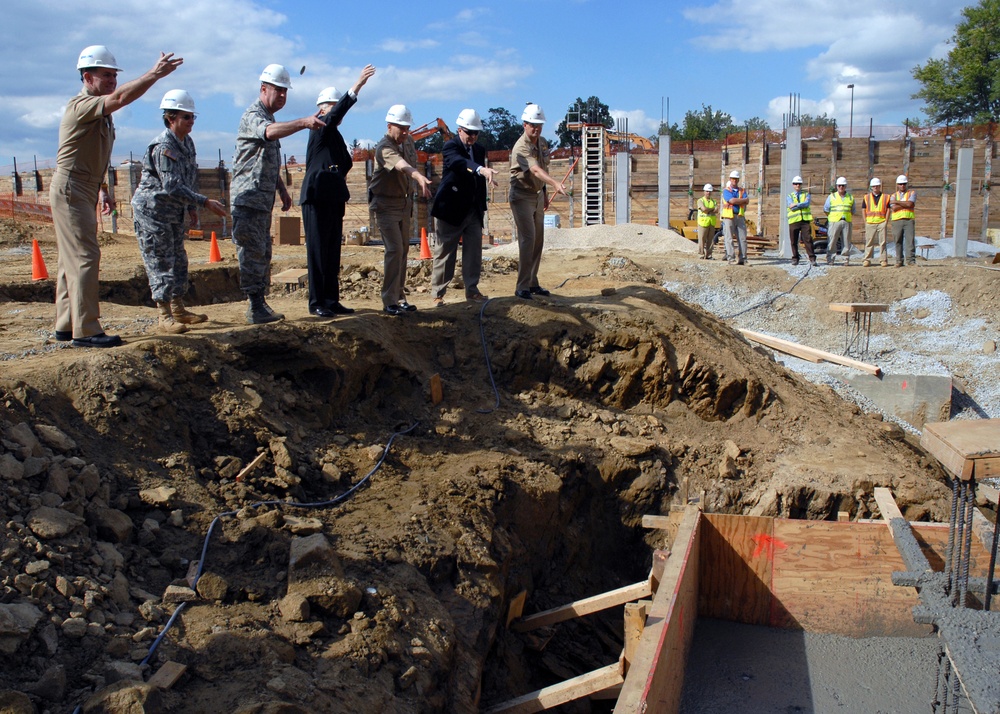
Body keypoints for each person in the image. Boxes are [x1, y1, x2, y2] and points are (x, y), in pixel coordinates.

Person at [51, 45, 182, 348]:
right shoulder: (80, 106)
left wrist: (103, 189)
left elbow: (92, 154)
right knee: (85, 256)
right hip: (71, 187)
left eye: (113, 75)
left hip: (83, 186)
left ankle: (66, 324)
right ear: (87, 77)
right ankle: (86, 330)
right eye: (105, 75)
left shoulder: (99, 113)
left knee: (69, 259)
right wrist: (154, 74)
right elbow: (121, 98)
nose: (111, 80)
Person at [231, 64, 325, 324]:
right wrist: (304, 122)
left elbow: (264, 160)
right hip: (248, 199)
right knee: (251, 253)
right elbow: (268, 133)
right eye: (278, 90)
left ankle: (259, 303)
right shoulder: (254, 115)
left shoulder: (269, 117)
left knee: (263, 252)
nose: (282, 96)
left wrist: (282, 189)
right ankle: (254, 305)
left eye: (285, 92)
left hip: (261, 200)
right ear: (263, 89)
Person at [131, 90, 228, 334]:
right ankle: (164, 316)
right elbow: (171, 184)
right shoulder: (163, 146)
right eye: (186, 117)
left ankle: (178, 309)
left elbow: (188, 177)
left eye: (193, 117)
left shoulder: (187, 143)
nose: (191, 122)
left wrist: (192, 208)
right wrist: (204, 201)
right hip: (153, 213)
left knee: (179, 260)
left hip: (173, 211)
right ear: (170, 118)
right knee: (160, 260)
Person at [299, 64, 376, 318]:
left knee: (332, 250)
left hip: (332, 198)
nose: (336, 110)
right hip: (317, 198)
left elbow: (345, 163)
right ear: (321, 109)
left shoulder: (335, 137)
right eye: (333, 105)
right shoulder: (319, 127)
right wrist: (356, 87)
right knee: (318, 251)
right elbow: (332, 118)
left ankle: (331, 300)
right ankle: (317, 302)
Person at [429, 108, 499, 306]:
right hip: (450, 208)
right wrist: (480, 169)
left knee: (474, 251)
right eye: (470, 132)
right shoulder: (450, 147)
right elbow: (460, 163)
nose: (473, 137)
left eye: (476, 133)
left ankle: (472, 290)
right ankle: (438, 293)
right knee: (445, 251)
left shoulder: (479, 149)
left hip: (472, 209)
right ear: (460, 130)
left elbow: (476, 178)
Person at [369, 104, 433, 316]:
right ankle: (389, 300)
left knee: (403, 250)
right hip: (385, 204)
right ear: (389, 126)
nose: (405, 132)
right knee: (394, 249)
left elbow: (408, 161)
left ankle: (399, 296)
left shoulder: (409, 142)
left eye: (407, 128)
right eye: (401, 128)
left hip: (404, 204)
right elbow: (401, 165)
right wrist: (418, 176)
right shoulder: (383, 147)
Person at [509, 103, 566, 299]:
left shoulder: (541, 143)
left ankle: (532, 283)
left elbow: (543, 167)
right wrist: (554, 183)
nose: (536, 128)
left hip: (536, 193)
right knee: (528, 239)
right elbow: (534, 170)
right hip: (521, 195)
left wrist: (544, 191)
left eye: (539, 125)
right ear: (524, 124)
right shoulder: (521, 147)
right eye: (533, 124)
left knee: (538, 240)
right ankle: (522, 286)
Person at [823, 177, 855, 265]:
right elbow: (826, 209)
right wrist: (832, 217)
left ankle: (845, 259)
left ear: (845, 186)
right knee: (832, 240)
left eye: (843, 185)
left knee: (846, 241)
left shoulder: (850, 197)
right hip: (834, 221)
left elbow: (852, 210)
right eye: (839, 185)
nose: (841, 187)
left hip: (846, 221)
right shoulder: (832, 196)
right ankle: (830, 258)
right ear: (837, 186)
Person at [720, 170, 749, 265]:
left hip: (739, 216)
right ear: (730, 179)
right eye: (733, 179)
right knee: (729, 238)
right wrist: (742, 200)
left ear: (738, 180)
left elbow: (747, 200)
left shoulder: (742, 190)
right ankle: (731, 258)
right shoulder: (726, 191)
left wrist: (739, 200)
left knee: (742, 238)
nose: (734, 180)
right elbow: (731, 200)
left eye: (736, 179)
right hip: (729, 217)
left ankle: (743, 259)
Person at [786, 175, 816, 266]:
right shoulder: (789, 196)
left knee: (808, 239)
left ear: (801, 184)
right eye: (796, 184)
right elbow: (791, 207)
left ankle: (812, 258)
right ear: (793, 185)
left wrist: (796, 204)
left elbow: (806, 204)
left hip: (805, 220)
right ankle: (795, 258)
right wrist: (800, 205)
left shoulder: (806, 194)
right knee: (793, 241)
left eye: (799, 184)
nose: (797, 185)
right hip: (794, 221)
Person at [861, 177, 890, 267]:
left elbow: (889, 209)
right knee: (869, 242)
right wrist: (865, 221)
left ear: (880, 186)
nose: (875, 187)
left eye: (877, 186)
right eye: (874, 186)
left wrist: (886, 221)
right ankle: (867, 259)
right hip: (870, 222)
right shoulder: (866, 197)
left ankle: (883, 260)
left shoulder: (886, 197)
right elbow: (863, 209)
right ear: (871, 187)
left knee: (883, 242)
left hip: (881, 222)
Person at [889, 174, 916, 267]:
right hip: (897, 220)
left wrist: (897, 202)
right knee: (897, 241)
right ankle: (899, 260)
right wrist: (905, 203)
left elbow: (910, 205)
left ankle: (911, 260)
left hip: (908, 220)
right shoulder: (893, 195)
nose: (902, 186)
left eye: (904, 184)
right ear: (897, 185)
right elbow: (894, 208)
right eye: (900, 184)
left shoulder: (911, 193)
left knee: (910, 240)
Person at [696, 183, 718, 260]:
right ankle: (701, 254)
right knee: (702, 239)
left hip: (711, 223)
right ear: (704, 191)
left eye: (709, 191)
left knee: (710, 240)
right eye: (707, 191)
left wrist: (708, 209)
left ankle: (709, 255)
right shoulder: (700, 200)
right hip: (703, 223)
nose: (708, 193)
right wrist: (711, 209)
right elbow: (704, 209)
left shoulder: (713, 201)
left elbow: (716, 210)